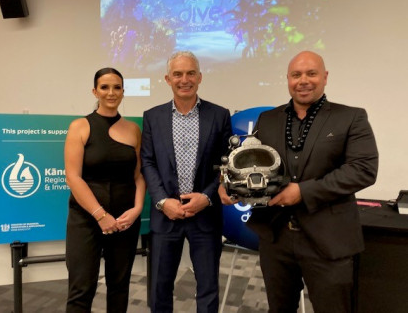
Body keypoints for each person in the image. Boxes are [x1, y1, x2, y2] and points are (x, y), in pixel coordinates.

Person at [226, 50, 379, 312]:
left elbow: (363, 169)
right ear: (288, 79)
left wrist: (303, 192)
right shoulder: (269, 119)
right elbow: (255, 166)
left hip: (329, 240)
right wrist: (231, 185)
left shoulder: (351, 117)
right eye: (296, 75)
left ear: (325, 77)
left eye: (311, 73)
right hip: (277, 239)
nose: (303, 80)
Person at [141, 51, 232, 312]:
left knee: (207, 288)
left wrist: (207, 196)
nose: (185, 79)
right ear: (167, 79)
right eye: (178, 74)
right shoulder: (152, 117)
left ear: (200, 77)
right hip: (166, 214)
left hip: (205, 215)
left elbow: (226, 163)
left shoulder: (219, 115)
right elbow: (147, 161)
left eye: (190, 73)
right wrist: (161, 201)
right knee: (160, 288)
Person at [64, 67, 145, 312]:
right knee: (81, 289)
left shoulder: (133, 130)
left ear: (123, 91)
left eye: (117, 87)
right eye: (105, 87)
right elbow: (73, 177)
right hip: (86, 219)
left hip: (124, 221)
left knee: (119, 287)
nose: (111, 93)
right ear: (95, 91)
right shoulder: (80, 126)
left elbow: (138, 176)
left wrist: (137, 209)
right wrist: (100, 215)